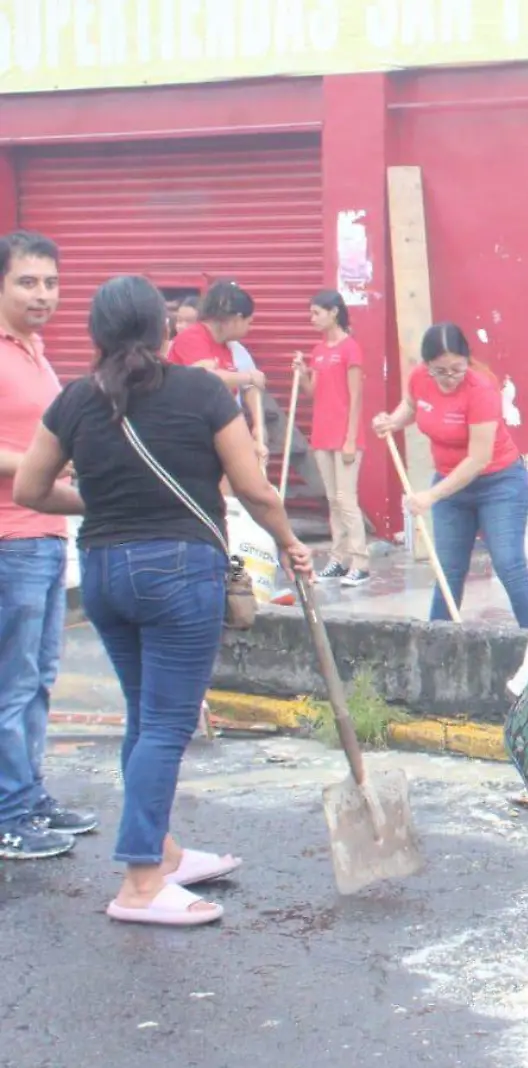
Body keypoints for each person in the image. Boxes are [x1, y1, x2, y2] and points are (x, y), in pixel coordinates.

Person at [14, 274, 314, 923]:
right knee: (169, 725)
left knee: (144, 716)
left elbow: (32, 489)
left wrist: (103, 502)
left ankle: (165, 851)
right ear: (165, 329)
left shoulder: (73, 401)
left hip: (101, 571)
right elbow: (255, 489)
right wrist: (291, 542)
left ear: (96, 334)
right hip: (178, 573)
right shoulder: (202, 391)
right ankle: (141, 882)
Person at [0, 230, 96, 862]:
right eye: (27, 282)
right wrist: (41, 472)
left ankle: (29, 795)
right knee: (12, 683)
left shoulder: (35, 350)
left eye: (51, 283)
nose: (43, 294)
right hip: (9, 538)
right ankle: (9, 813)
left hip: (45, 535)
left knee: (39, 680)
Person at [371, 323, 528, 629]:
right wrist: (392, 422)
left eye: (457, 369)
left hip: (499, 484)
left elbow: (478, 459)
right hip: (451, 486)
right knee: (448, 569)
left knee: (509, 565)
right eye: (440, 370)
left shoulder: (481, 390)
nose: (449, 378)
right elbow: (412, 406)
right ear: (427, 365)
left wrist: (431, 495)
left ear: (468, 361)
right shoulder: (419, 379)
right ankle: (437, 645)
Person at [292, 290, 371, 585]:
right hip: (322, 435)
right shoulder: (318, 350)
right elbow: (312, 393)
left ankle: (360, 562)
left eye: (316, 313)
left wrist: (351, 438)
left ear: (333, 312)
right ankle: (338, 560)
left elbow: (356, 397)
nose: (312, 318)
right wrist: (302, 373)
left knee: (346, 499)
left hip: (345, 436)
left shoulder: (351, 349)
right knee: (332, 500)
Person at [169, 281, 269, 475]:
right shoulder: (192, 337)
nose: (249, 329)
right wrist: (247, 377)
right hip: (190, 435)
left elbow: (248, 387)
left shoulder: (228, 346)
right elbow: (205, 377)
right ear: (236, 319)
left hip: (219, 432)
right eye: (249, 322)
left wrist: (256, 429)